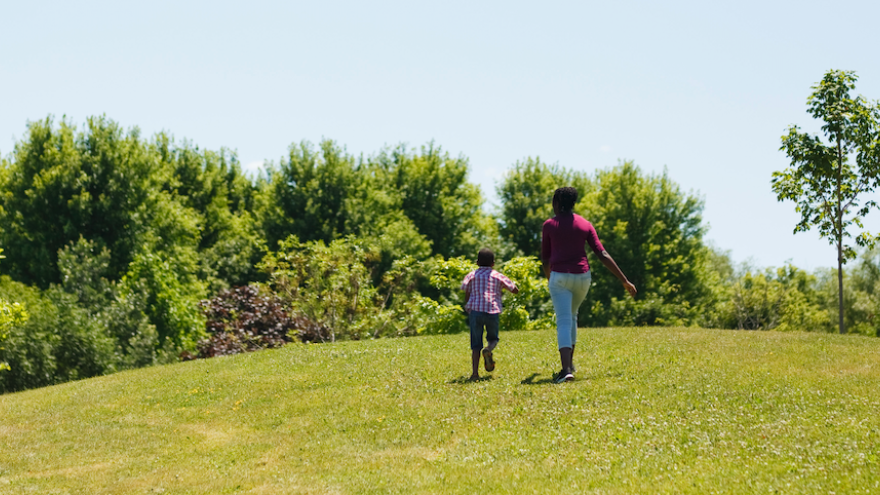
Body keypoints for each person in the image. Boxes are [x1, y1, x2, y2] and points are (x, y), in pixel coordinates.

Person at [542, 187, 637, 383]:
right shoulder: (585, 224)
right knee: (572, 316)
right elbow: (602, 254)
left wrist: (549, 277)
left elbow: (546, 258)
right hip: (582, 278)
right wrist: (624, 280)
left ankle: (566, 370)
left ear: (557, 203)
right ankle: (569, 365)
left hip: (560, 276)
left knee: (563, 320)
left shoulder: (549, 225)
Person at [461, 248, 519, 381]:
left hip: (475, 311)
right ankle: (488, 349)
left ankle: (475, 374)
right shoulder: (497, 275)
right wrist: (502, 287)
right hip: (492, 311)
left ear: (477, 263)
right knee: (493, 338)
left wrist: (469, 302)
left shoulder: (471, 275)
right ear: (493, 263)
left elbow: (466, 293)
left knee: (475, 345)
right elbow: (515, 290)